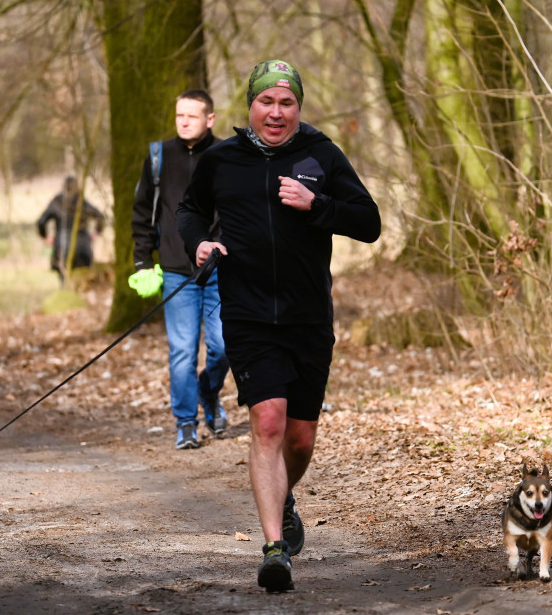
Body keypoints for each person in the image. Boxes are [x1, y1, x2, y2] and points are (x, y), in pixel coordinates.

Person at [178, 61, 381, 592]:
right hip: (246, 315)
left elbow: (369, 222)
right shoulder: (222, 159)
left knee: (300, 437)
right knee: (267, 423)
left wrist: (319, 205)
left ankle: (284, 492)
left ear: (298, 108)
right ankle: (274, 551)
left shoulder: (321, 153)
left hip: (308, 317)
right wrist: (197, 242)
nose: (276, 112)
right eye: (266, 102)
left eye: (286, 103)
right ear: (250, 106)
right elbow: (189, 211)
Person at [131, 89, 229, 451]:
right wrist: (144, 261)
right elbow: (142, 214)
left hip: (222, 269)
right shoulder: (159, 157)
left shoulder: (226, 155)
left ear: (210, 119)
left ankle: (209, 393)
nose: (184, 121)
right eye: (179, 116)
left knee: (223, 347)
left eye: (192, 115)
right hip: (176, 271)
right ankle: (186, 422)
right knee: (183, 351)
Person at [37, 175, 106, 283]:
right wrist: (96, 233)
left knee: (64, 280)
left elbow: (41, 221)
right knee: (84, 282)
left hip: (62, 246)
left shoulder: (57, 201)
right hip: (83, 247)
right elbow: (100, 217)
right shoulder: (82, 201)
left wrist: (45, 237)